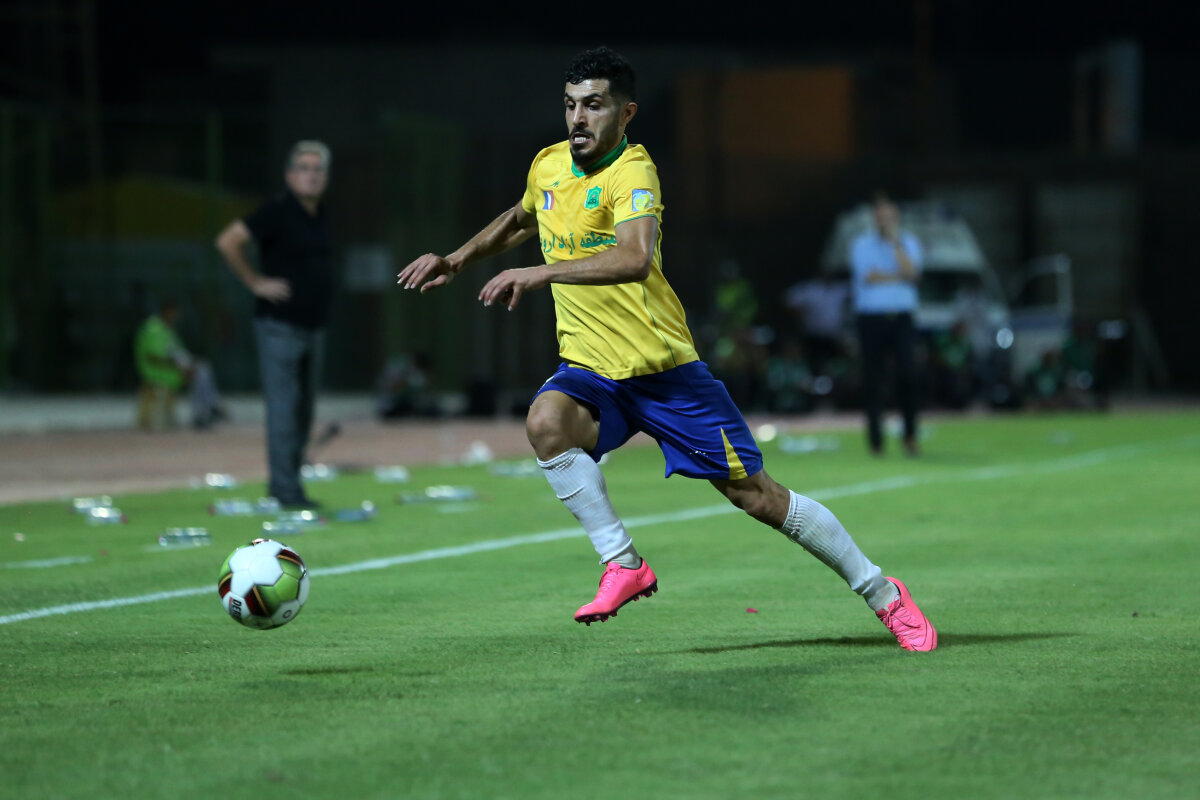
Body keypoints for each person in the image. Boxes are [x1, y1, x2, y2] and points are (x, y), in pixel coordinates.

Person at [397, 47, 936, 651]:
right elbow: (523, 217)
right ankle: (623, 563)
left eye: (593, 105)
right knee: (546, 422)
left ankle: (884, 594)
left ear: (626, 113)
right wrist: (456, 259)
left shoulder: (634, 172)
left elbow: (633, 257)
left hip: (664, 373)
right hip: (592, 370)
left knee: (759, 498)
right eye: (570, 105)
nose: (578, 119)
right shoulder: (548, 165)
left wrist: (540, 273)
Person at [215, 140, 334, 509]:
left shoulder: (320, 214)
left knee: (303, 413)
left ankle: (290, 484)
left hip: (313, 327)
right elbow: (228, 241)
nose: (311, 175)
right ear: (289, 175)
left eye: (318, 169)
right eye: (304, 168)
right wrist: (255, 282)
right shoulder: (276, 211)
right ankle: (284, 490)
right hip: (279, 327)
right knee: (284, 411)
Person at [849, 193, 924, 456]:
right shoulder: (861, 244)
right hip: (872, 318)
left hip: (902, 318)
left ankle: (910, 437)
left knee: (908, 376)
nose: (885, 220)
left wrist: (896, 245)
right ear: (874, 219)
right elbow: (868, 277)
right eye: (880, 216)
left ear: (897, 217)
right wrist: (899, 276)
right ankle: (876, 442)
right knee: (873, 379)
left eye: (889, 216)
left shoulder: (909, 243)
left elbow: (912, 273)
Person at [133, 298, 225, 430]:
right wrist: (180, 366)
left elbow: (179, 353)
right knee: (198, 373)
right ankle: (203, 411)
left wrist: (189, 362)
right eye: (174, 313)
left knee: (203, 367)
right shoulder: (153, 328)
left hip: (172, 371)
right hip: (158, 373)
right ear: (166, 311)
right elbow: (153, 357)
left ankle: (207, 408)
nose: (176, 316)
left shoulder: (169, 329)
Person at [784, 273, 849, 376]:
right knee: (813, 364)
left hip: (833, 336)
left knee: (834, 364)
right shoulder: (810, 288)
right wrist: (799, 316)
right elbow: (789, 299)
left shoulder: (840, 288)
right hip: (813, 335)